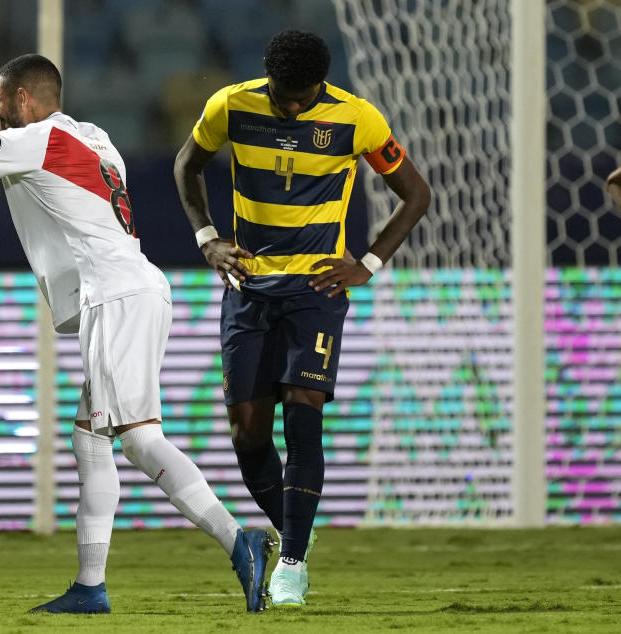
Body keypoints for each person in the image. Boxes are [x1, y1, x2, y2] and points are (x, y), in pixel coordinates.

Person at [0, 48, 274, 613]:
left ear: (24, 99)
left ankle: (237, 541)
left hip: (118, 297)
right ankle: (90, 587)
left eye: (3, 104)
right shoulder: (94, 137)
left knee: (140, 438)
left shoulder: (34, 142)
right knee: (90, 438)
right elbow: (14, 176)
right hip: (132, 288)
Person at [173, 30, 431, 607]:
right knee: (247, 435)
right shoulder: (231, 105)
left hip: (316, 290)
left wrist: (367, 263)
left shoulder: (357, 118)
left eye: (302, 96)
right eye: (283, 95)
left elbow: (415, 192)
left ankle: (290, 562)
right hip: (249, 286)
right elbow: (187, 166)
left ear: (321, 82)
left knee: (303, 415)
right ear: (269, 80)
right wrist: (208, 238)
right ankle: (297, 529)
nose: (292, 106)